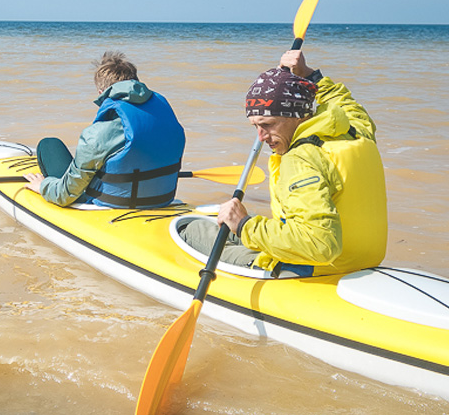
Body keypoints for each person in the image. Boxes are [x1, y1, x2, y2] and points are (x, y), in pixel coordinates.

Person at [181, 50, 386, 276]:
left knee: (193, 229)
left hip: (316, 268)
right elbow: (347, 105)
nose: (261, 136)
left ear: (297, 116)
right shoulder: (355, 132)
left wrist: (244, 225)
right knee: (229, 228)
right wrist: (310, 75)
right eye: (255, 126)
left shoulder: (300, 160)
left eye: (267, 124)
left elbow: (321, 244)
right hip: (364, 260)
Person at [24, 52, 187, 208]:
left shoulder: (97, 134)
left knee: (49, 144)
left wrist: (43, 185)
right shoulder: (166, 115)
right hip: (161, 200)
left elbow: (65, 194)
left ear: (101, 93)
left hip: (113, 204)